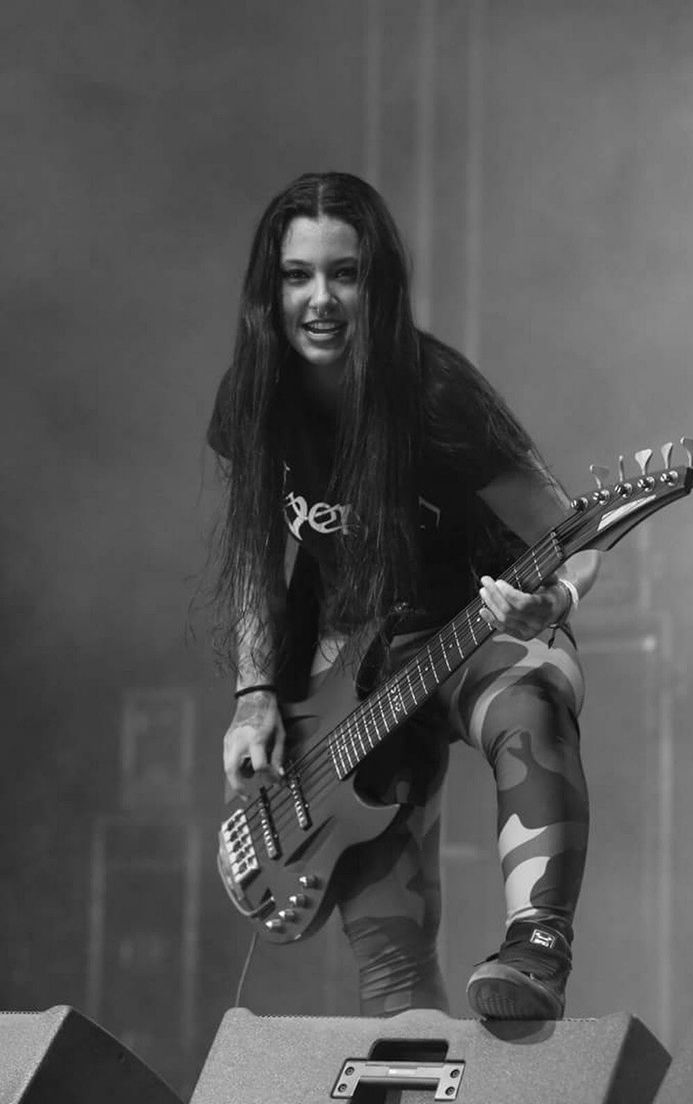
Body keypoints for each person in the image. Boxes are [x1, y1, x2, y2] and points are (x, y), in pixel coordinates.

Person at [207, 171, 600, 1020]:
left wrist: (554, 604)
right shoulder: (254, 400)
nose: (320, 299)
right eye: (297, 275)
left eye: (344, 274)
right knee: (389, 975)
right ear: (267, 288)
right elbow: (251, 556)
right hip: (355, 676)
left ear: (375, 282)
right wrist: (253, 695)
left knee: (528, 703)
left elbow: (574, 531)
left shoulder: (433, 394)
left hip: (474, 623)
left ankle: (535, 950)